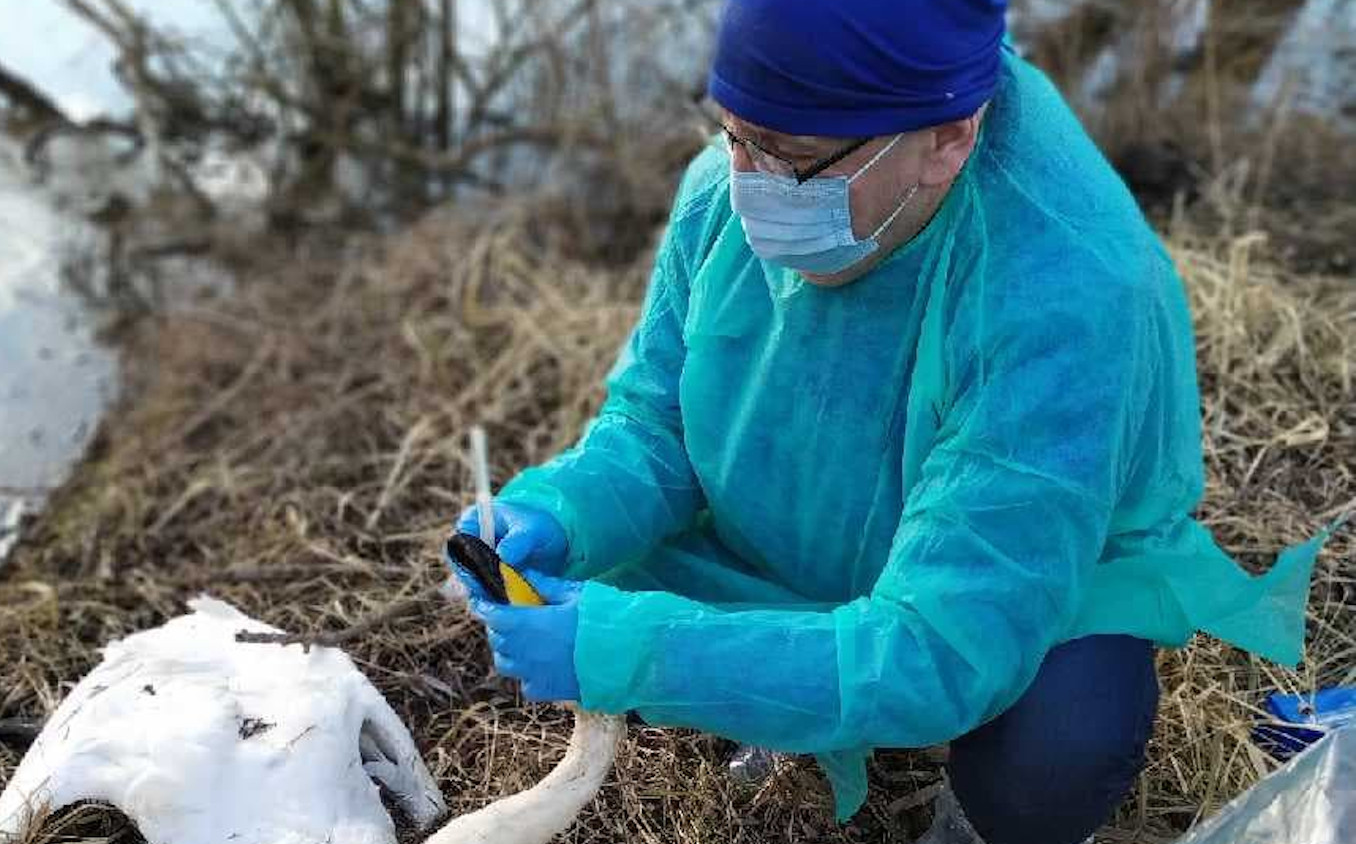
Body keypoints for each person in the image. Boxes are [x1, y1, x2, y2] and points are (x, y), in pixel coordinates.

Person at [448, 3, 1329, 843]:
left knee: (1061, 736)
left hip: (1003, 589)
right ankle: (789, 677)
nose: (749, 189)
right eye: (732, 135)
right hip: (794, 528)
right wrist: (564, 511)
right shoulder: (732, 186)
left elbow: (942, 646)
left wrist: (641, 652)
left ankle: (979, 820)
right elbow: (655, 425)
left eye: (791, 159)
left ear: (948, 139)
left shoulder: (1064, 297)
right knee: (628, 580)